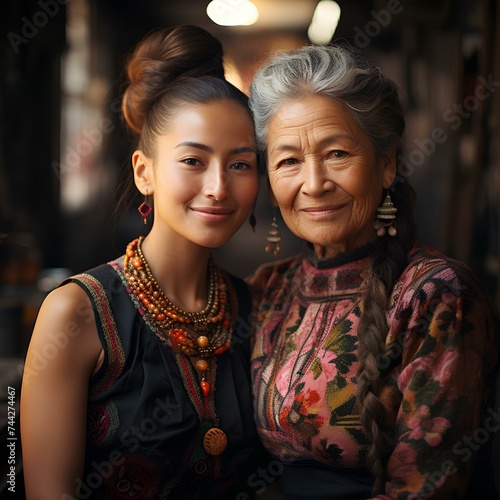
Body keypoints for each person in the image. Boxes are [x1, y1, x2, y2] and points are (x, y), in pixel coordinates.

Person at [21, 25, 264, 499]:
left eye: (240, 163)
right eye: (193, 161)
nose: (218, 187)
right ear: (144, 172)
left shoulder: (253, 307)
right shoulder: (74, 314)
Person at [247, 43, 500, 499]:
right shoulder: (268, 288)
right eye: (288, 161)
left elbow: (425, 491)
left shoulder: (437, 296)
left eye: (338, 153)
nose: (315, 183)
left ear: (386, 165)